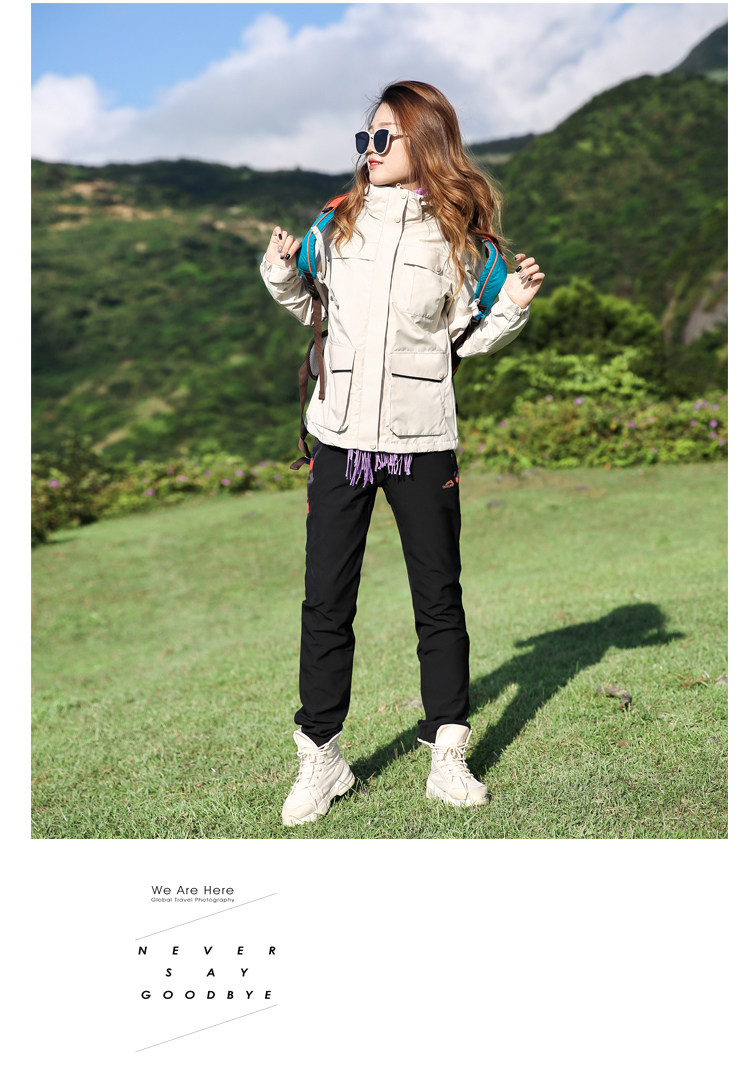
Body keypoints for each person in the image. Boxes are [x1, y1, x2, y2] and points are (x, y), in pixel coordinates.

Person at [260, 80, 544, 826]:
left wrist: (511, 307)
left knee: (438, 600)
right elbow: (312, 307)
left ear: (426, 141)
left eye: (384, 136)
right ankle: (321, 757)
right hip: (341, 439)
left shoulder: (461, 242)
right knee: (326, 601)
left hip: (423, 441)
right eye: (366, 137)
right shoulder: (337, 222)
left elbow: (465, 340)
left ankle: (448, 754)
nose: (370, 149)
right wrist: (283, 270)